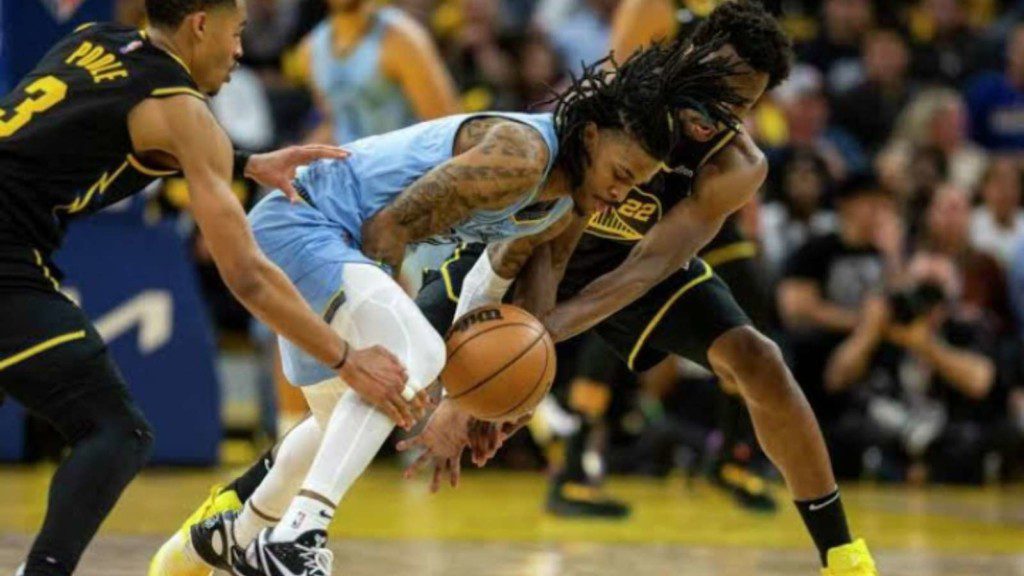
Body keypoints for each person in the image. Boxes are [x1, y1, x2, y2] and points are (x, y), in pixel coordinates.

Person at [151, 41, 741, 576]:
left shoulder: (567, 204)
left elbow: (519, 315)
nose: (622, 193)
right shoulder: (522, 155)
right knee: (411, 361)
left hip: (330, 244)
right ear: (591, 136)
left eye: (637, 186)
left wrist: (492, 407)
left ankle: (234, 535)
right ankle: (296, 537)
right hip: (303, 218)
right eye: (621, 173)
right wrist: (406, 346)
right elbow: (388, 228)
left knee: (343, 420)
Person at [409, 3, 879, 574]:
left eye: (743, 104)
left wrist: (538, 341)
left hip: (626, 265)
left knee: (759, 359)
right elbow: (551, 230)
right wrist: (484, 384)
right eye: (719, 88)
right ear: (692, 51)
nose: (723, 112)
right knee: (403, 357)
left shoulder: (736, 165)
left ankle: (843, 554)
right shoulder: (619, 99)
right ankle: (285, 505)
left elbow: (648, 268)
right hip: (529, 240)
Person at [0, 0, 415, 574]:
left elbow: (81, 129)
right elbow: (245, 274)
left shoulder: (94, 40)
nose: (241, 51)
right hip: (6, 258)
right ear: (200, 24)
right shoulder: (184, 113)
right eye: (237, 32)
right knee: (117, 432)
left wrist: (241, 161)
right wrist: (346, 358)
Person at [296, 0, 459, 144]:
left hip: (409, 171)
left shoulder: (402, 39)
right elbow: (337, 122)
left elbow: (448, 129)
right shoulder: (311, 50)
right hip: (354, 171)